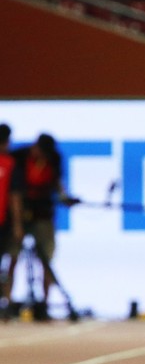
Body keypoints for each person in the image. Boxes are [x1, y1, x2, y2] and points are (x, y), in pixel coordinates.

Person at [5, 133, 73, 320]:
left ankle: (44, 304)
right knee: (13, 257)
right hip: (19, 214)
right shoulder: (20, 156)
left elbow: (58, 184)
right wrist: (17, 222)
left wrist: (63, 196)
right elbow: (13, 190)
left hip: (43, 216)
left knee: (47, 259)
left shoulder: (54, 160)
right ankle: (8, 303)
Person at [0, 123, 22, 316]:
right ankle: (6, 301)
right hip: (4, 222)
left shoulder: (9, 163)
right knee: (9, 262)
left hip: (3, 222)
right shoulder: (9, 163)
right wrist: (17, 225)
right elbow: (14, 197)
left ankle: (5, 302)